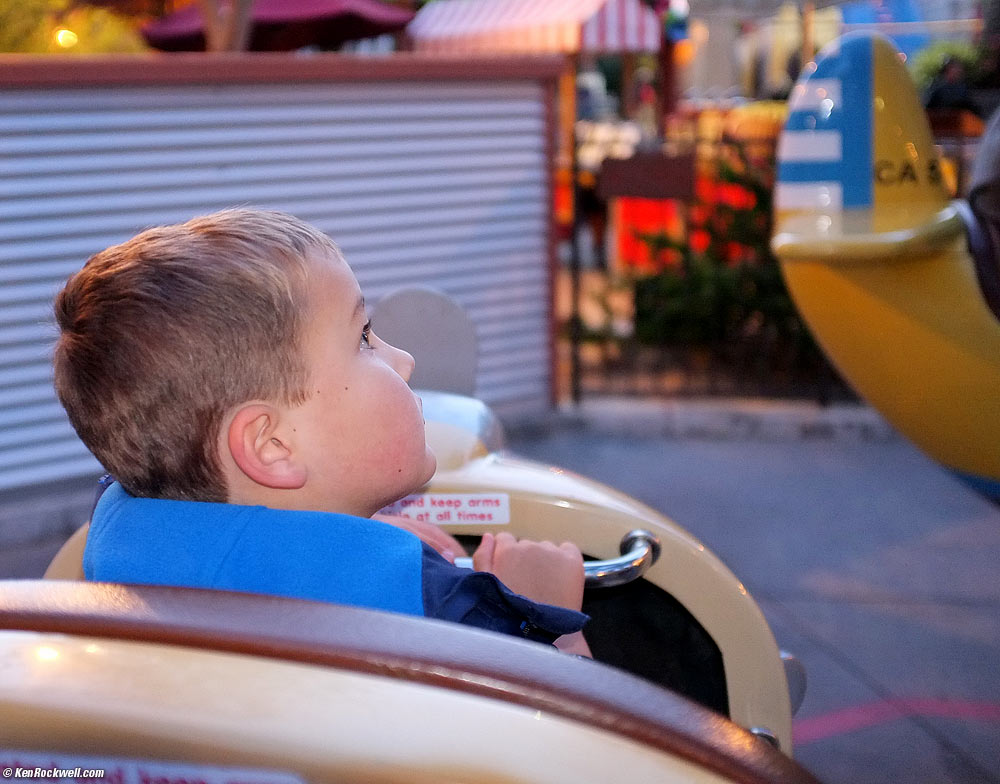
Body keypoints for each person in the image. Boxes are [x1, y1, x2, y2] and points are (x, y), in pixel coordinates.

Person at [53, 208, 589, 655]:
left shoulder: (118, 534)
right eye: (363, 338)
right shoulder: (448, 615)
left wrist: (361, 544)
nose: (403, 360)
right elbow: (585, 754)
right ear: (272, 445)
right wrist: (546, 621)